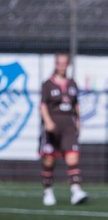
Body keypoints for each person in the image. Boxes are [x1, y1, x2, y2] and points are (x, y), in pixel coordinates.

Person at [39, 52, 88, 206]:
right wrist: (47, 121)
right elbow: (43, 105)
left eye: (64, 63)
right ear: (55, 64)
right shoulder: (47, 84)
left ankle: (76, 190)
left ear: (67, 65)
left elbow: (76, 105)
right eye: (59, 63)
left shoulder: (72, 83)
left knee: (73, 157)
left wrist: (79, 122)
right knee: (49, 160)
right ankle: (48, 191)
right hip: (53, 127)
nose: (61, 66)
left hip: (68, 126)